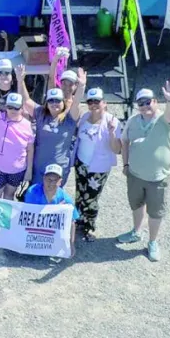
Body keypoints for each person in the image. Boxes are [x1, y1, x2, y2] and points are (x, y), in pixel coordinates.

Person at [116, 82, 170, 262]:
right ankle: (136, 232)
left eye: (147, 102)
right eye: (140, 103)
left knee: (156, 211)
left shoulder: (163, 120)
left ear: (155, 102)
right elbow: (125, 142)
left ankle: (152, 242)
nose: (144, 106)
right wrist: (126, 165)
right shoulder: (133, 121)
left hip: (158, 176)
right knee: (136, 204)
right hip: (135, 174)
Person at [18, 64, 84, 186]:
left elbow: (76, 102)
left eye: (58, 100)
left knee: (53, 200)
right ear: (47, 103)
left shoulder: (69, 118)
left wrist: (82, 86)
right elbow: (26, 100)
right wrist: (20, 80)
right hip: (39, 167)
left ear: (63, 102)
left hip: (59, 168)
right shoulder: (40, 113)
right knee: (36, 197)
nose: (54, 103)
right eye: (51, 100)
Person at [73, 88, 121, 243]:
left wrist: (112, 133)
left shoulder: (112, 121)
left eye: (97, 101)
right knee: (80, 195)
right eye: (90, 101)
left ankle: (88, 226)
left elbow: (117, 149)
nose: (93, 105)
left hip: (98, 168)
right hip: (81, 163)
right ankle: (78, 221)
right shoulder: (85, 117)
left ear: (104, 103)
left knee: (91, 199)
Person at [0, 87, 35, 200]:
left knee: (9, 197)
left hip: (17, 169)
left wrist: (29, 170)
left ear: (22, 108)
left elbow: (30, 149)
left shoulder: (27, 125)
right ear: (6, 107)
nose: (13, 110)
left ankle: (6, 218)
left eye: (16, 107)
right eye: (10, 107)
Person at [24, 163, 80, 254]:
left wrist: (71, 244)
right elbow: (28, 214)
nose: (51, 183)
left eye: (55, 180)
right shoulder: (32, 191)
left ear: (60, 181)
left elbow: (72, 222)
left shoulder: (65, 198)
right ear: (43, 179)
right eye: (49, 179)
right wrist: (56, 209)